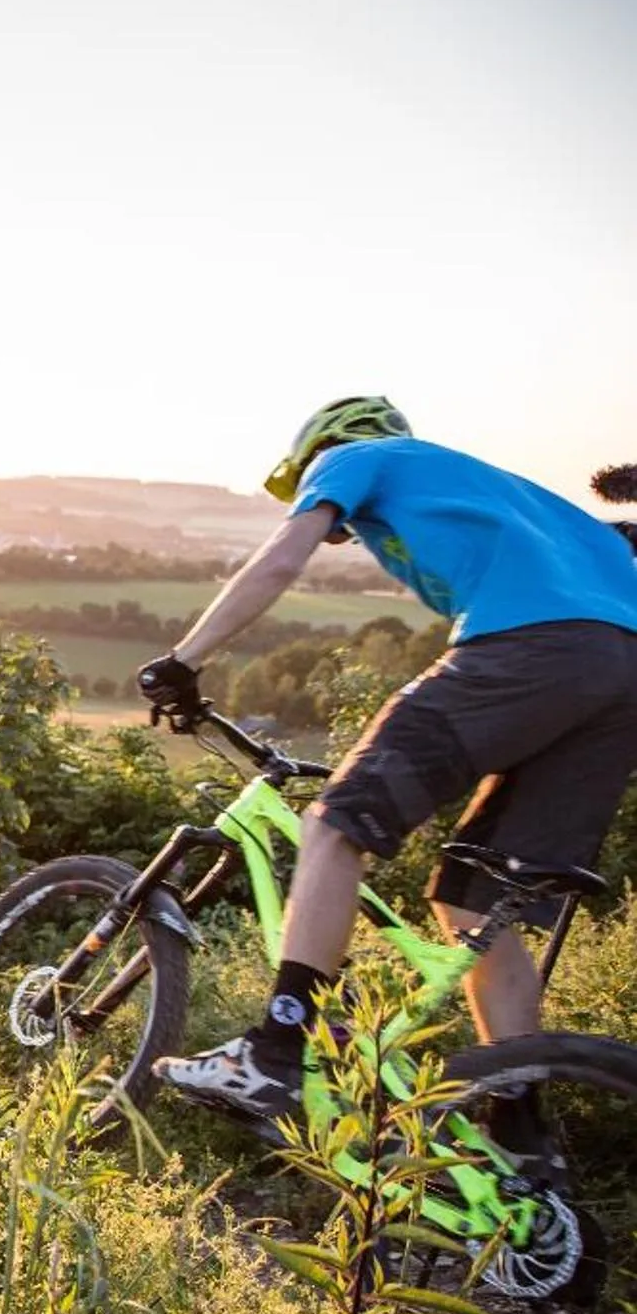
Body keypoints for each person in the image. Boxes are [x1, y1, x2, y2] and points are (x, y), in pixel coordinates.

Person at [135, 399, 637, 1131]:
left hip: (531, 650)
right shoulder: (517, 495)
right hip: (623, 678)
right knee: (474, 899)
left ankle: (275, 1051)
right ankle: (521, 1140)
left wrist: (182, 662)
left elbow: (280, 560)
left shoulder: (357, 456)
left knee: (337, 824)